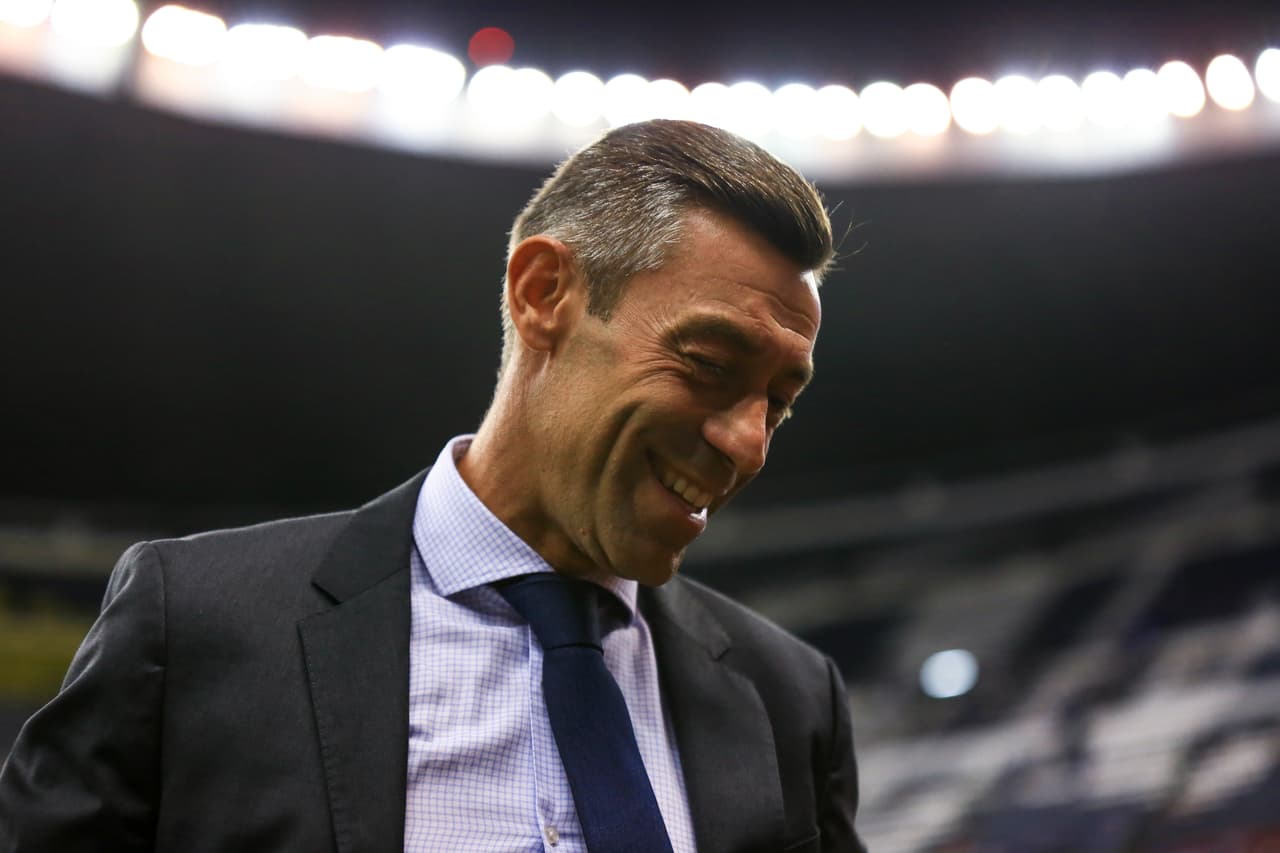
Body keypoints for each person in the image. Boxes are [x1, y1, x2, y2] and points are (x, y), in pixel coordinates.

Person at [0, 119, 865, 852]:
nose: (749, 442)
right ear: (544, 293)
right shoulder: (195, 621)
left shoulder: (793, 700)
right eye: (709, 363)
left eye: (779, 402)